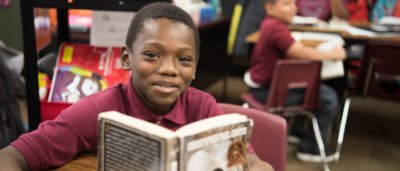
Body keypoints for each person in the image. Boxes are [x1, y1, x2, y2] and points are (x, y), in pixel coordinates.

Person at [0, 3, 273, 171]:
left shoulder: (203, 106)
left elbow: (252, 161)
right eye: (152, 54)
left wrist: (256, 166)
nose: (168, 68)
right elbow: (13, 156)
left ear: (195, 69)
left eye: (184, 59)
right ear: (127, 58)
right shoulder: (99, 109)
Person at [244, 0, 346, 163]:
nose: (294, 8)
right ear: (270, 8)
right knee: (328, 97)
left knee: (307, 85)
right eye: (286, 4)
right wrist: (333, 54)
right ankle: (310, 149)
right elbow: (300, 52)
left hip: (263, 87)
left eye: (294, 4)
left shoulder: (270, 24)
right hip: (267, 93)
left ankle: (296, 133)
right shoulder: (276, 28)